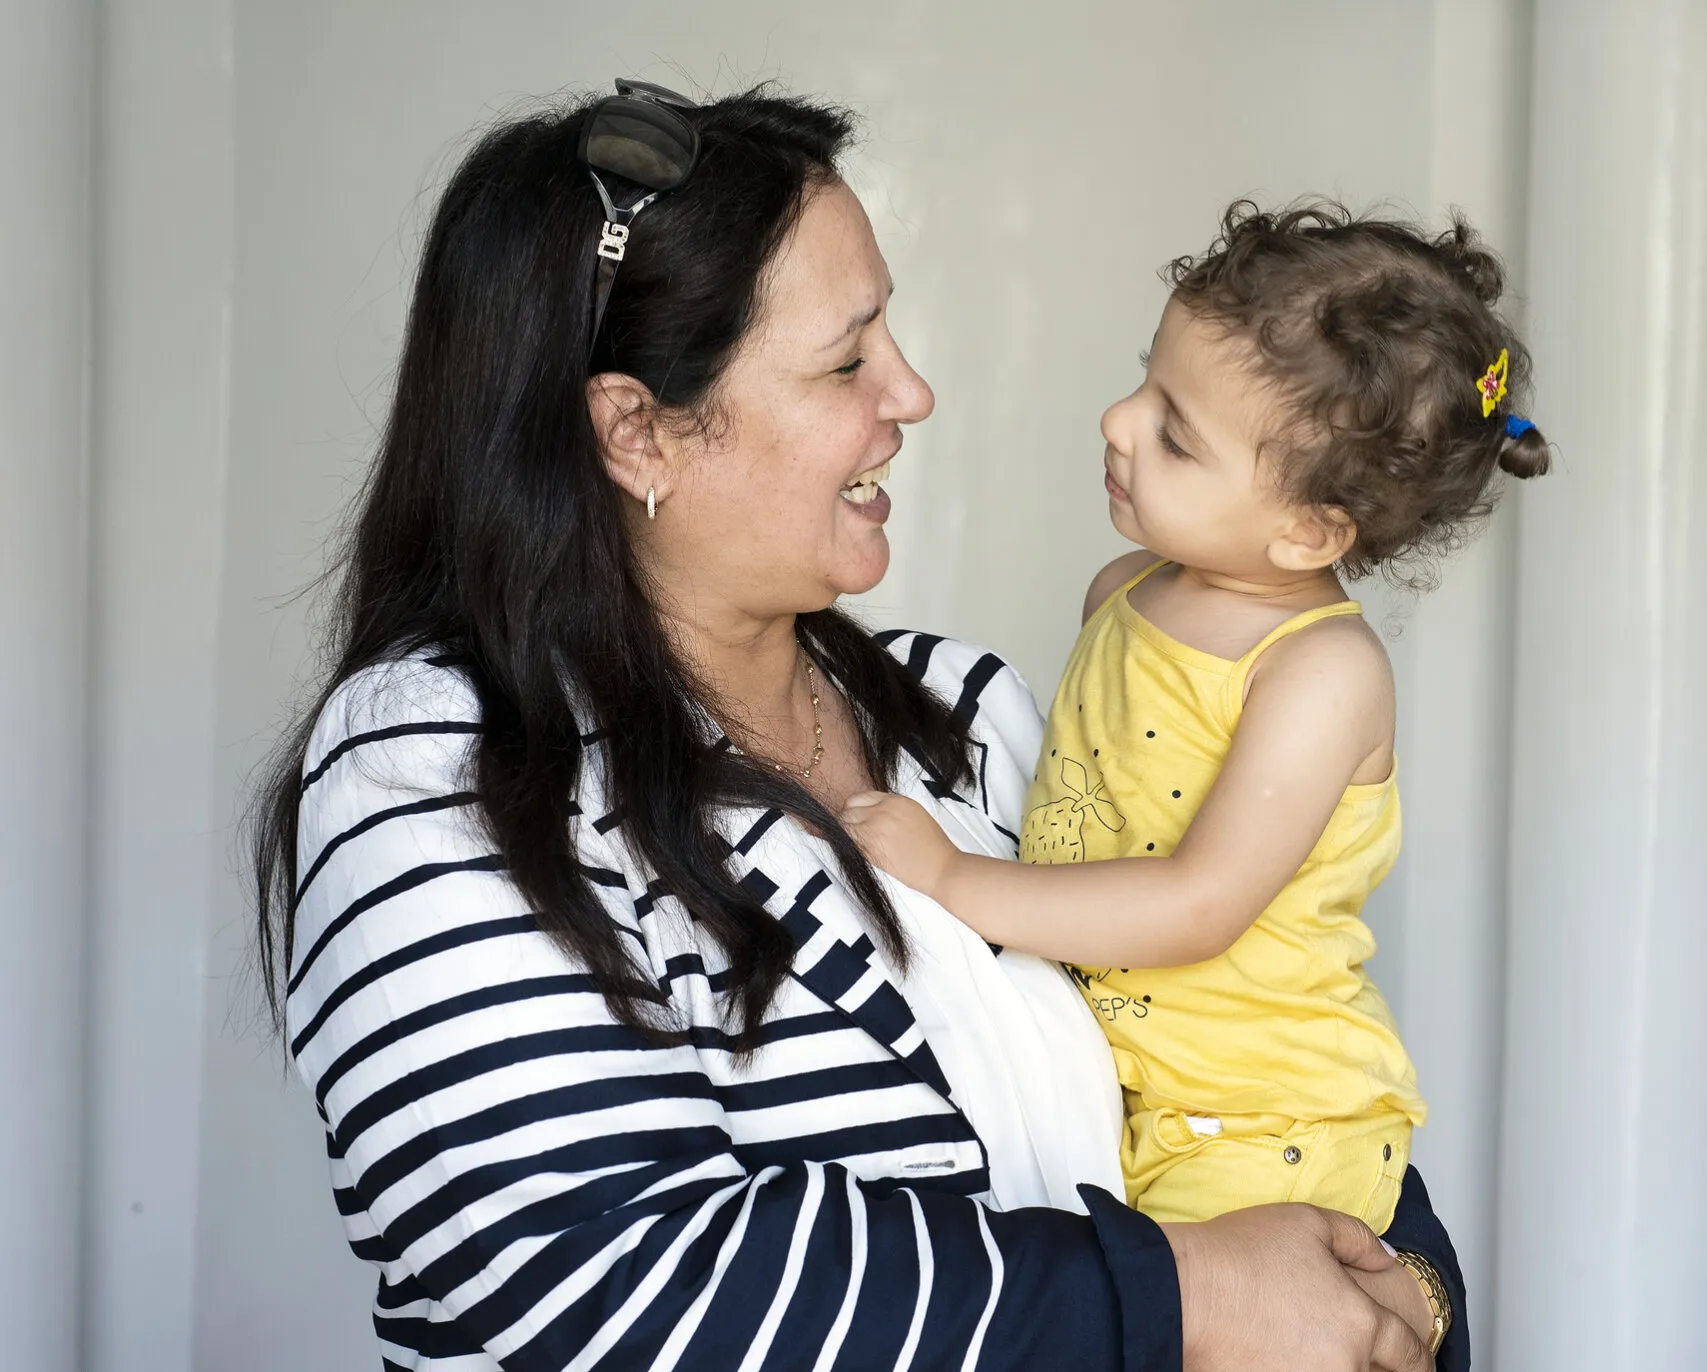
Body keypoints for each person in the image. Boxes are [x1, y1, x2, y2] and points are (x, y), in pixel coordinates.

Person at [251, 80, 1467, 1372]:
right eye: (847, 359)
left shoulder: (965, 721)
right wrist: (1182, 1299)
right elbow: (608, 1288)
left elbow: (1264, 1082)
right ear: (639, 433)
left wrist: (1404, 1301)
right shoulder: (443, 773)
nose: (913, 393)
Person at [845, 205, 1544, 1358]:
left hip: (1263, 1121)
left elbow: (1196, 902)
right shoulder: (1123, 592)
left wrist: (953, 878)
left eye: (1176, 435)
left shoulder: (1321, 671)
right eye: (1143, 385)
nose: (1118, 423)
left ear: (1309, 530)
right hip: (1137, 1102)